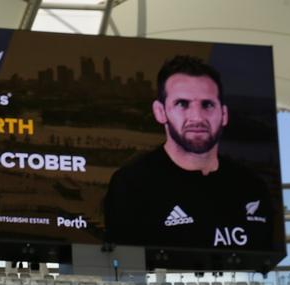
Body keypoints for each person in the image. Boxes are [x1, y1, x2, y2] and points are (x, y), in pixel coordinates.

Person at [103, 55, 275, 253]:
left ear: (224, 114)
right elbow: (123, 267)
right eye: (182, 104)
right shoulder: (131, 185)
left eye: (207, 105)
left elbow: (262, 261)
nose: (197, 117)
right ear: (160, 112)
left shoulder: (252, 187)